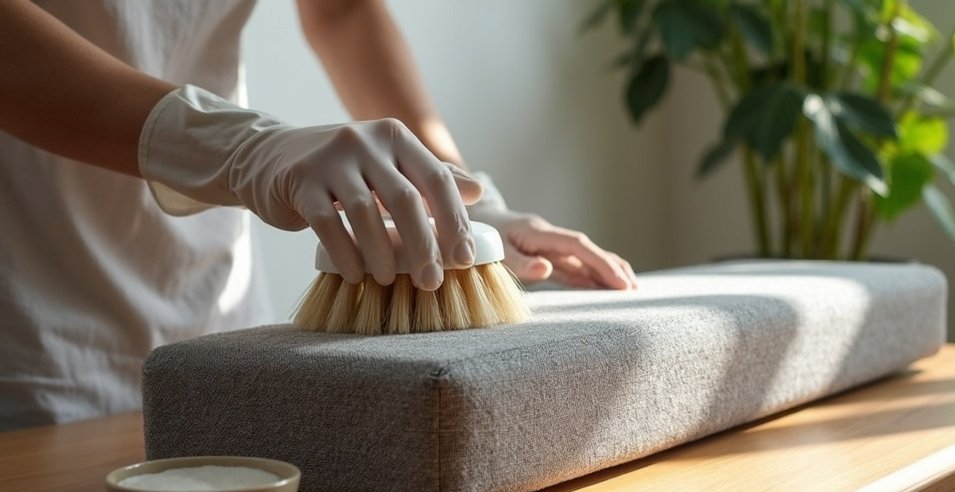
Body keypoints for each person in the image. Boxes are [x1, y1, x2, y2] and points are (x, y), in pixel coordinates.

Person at [0, 0, 638, 432]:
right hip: (32, 330)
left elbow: (343, 11)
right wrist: (242, 146)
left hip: (220, 336)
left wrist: (460, 197)